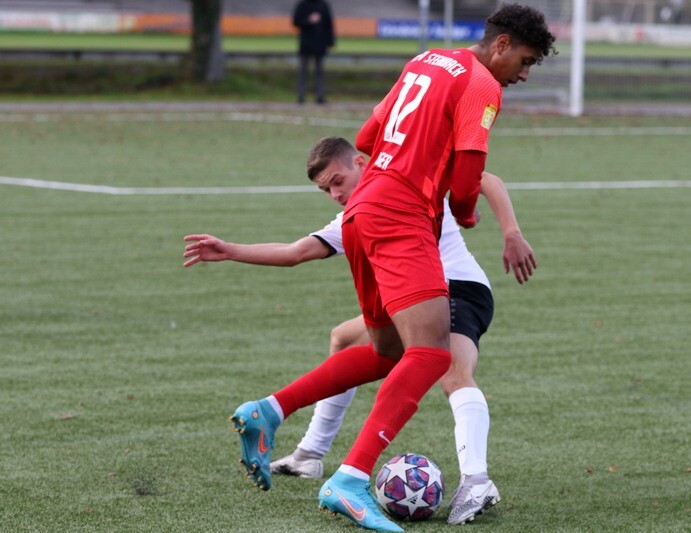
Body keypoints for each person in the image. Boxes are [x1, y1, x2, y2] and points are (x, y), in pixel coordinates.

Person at [225, 5, 555, 531]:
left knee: (387, 352)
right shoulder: (481, 85)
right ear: (501, 44)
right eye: (526, 60)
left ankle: (269, 411)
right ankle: (351, 477)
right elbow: (468, 177)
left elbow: (366, 135)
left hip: (361, 214)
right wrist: (464, 212)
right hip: (401, 215)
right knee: (431, 354)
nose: (524, 74)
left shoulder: (425, 60)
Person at [184, 137, 537, 525]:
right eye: (326, 190)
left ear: (360, 162)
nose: (335, 194)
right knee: (346, 338)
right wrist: (229, 250)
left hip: (458, 287)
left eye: (337, 181)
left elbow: (486, 180)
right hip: (415, 299)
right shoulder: (356, 215)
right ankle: (309, 454)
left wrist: (511, 233)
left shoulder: (407, 177)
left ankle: (476, 480)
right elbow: (295, 252)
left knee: (452, 371)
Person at [292, 0, 335, 104]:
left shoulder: (323, 5)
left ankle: (320, 96)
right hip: (306, 44)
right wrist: (308, 20)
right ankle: (301, 96)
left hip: (320, 44)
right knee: (303, 71)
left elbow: (329, 24)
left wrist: (330, 42)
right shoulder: (302, 5)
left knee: (319, 72)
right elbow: (296, 21)